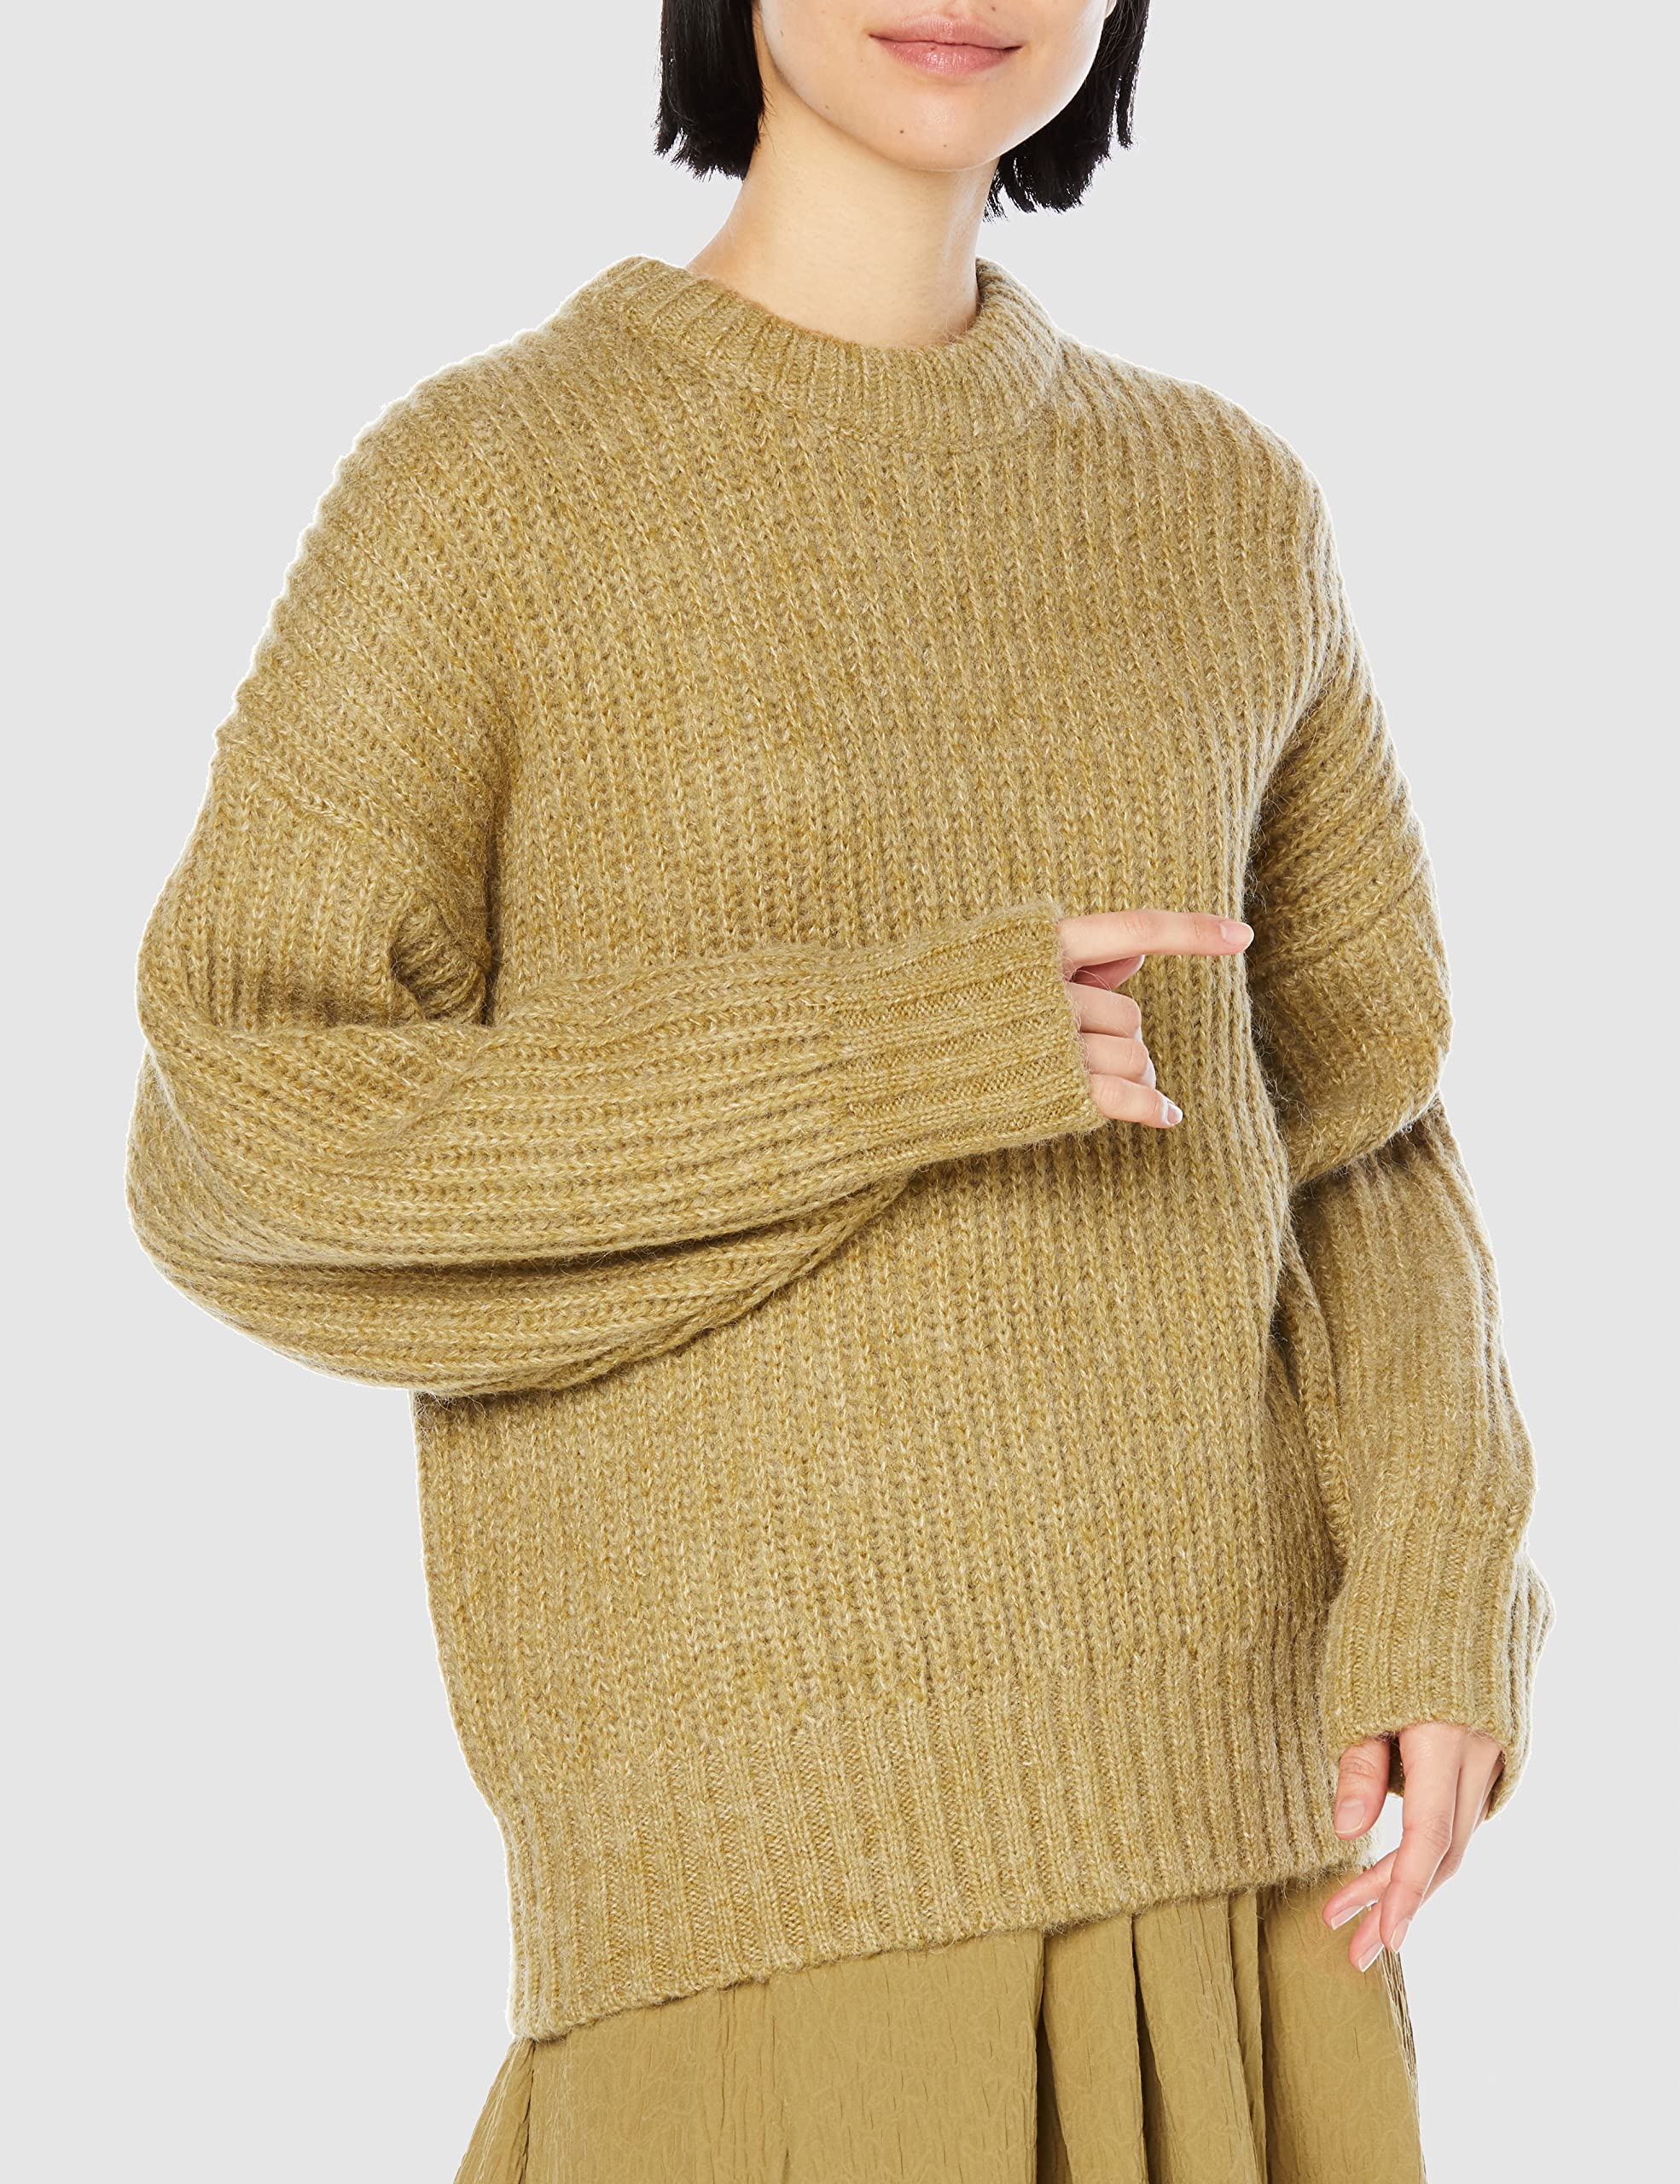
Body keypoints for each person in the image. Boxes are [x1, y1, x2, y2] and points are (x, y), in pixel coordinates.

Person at [123, 3, 1554, 2177]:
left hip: (1254, 1873)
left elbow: (1364, 1126)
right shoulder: (490, 487)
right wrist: (903, 1057)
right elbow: (248, 1115)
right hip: (757, 1907)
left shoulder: (1223, 505)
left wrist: (1443, 1583)